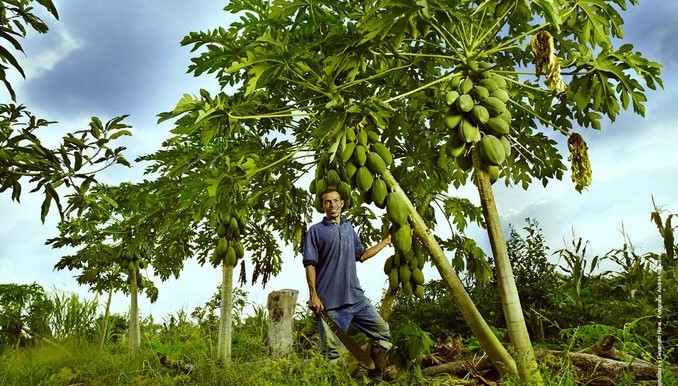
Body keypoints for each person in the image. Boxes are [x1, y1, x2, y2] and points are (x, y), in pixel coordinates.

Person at [302, 188, 393, 372]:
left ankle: (375, 378)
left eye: (335, 201)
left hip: (356, 299)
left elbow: (362, 255)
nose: (332, 205)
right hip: (331, 304)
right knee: (333, 355)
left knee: (383, 335)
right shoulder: (315, 231)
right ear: (322, 206)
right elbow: (309, 264)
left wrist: (386, 241)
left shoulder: (349, 229)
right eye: (327, 202)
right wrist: (314, 295)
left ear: (342, 203)